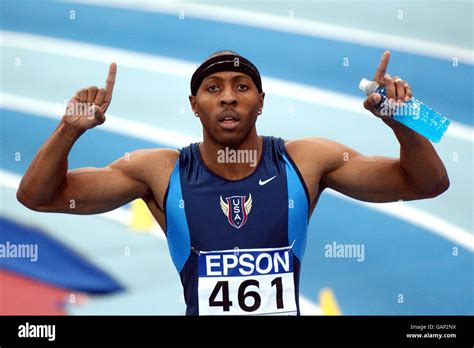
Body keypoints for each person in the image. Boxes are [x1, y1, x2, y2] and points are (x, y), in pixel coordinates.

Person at [17, 50, 450, 316]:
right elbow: (39, 196)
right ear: (194, 105)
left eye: (242, 87)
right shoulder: (159, 172)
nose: (228, 96)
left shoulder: (306, 161)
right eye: (213, 88)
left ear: (260, 102)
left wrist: (403, 121)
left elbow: (426, 184)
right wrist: (68, 130)